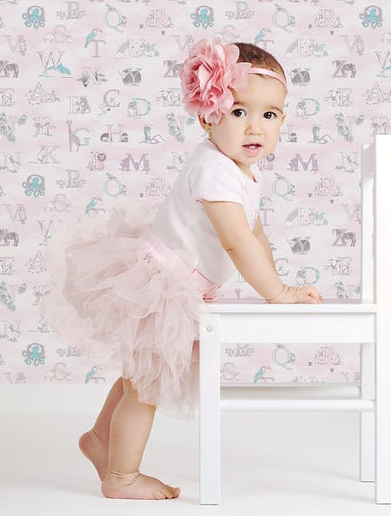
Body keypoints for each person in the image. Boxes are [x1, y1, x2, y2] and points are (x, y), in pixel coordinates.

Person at [51, 39, 323, 501]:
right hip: (161, 285)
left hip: (177, 284)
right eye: (238, 111)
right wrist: (276, 293)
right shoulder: (215, 169)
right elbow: (236, 241)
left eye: (270, 114)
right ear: (207, 116)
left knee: (139, 376)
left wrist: (279, 284)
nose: (255, 126)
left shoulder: (244, 171)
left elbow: (255, 233)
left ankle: (100, 440)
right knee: (146, 388)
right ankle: (122, 477)